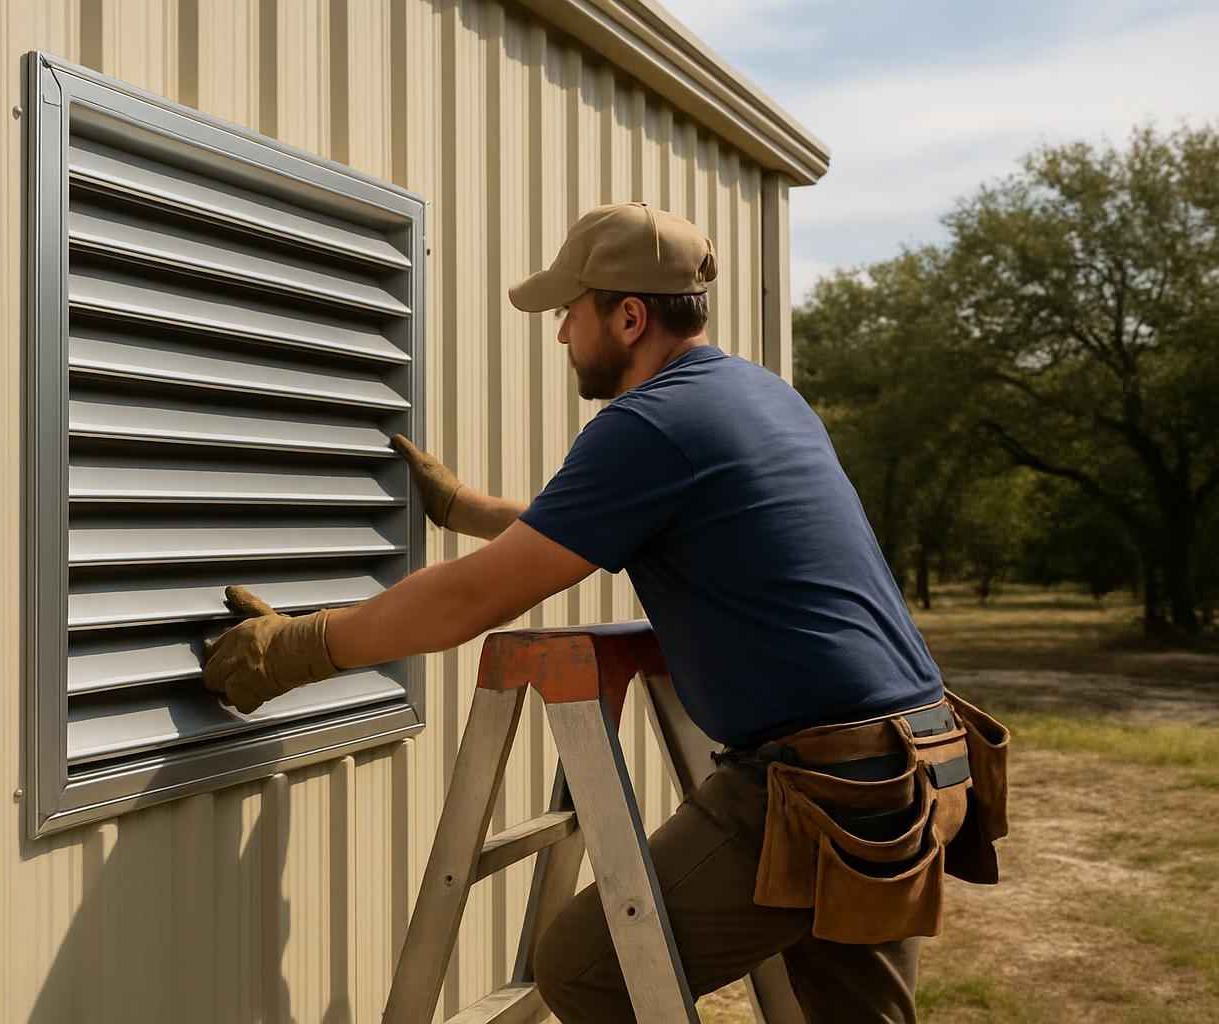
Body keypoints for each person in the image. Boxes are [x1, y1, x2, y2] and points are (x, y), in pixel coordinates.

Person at [202, 202, 1006, 1024]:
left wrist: (297, 648)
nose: (561, 333)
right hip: (914, 762)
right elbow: (604, 521)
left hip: (826, 788)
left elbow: (469, 599)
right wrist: (469, 509)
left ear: (628, 318)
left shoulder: (650, 425)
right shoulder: (755, 396)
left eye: (570, 312)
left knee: (588, 966)